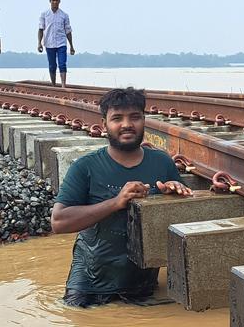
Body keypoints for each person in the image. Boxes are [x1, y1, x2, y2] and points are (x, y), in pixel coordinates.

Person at [50, 87, 193, 307]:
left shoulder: (162, 162)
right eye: (117, 118)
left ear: (145, 120)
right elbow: (59, 222)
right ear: (104, 123)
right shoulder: (85, 167)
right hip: (89, 283)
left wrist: (173, 198)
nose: (127, 124)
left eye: (135, 117)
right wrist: (115, 203)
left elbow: (187, 227)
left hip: (142, 283)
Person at [37, 0, 75, 88]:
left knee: (62, 64)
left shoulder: (64, 15)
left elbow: (68, 31)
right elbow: (41, 29)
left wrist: (71, 46)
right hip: (49, 43)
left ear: (59, 2)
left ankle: (63, 85)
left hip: (61, 43)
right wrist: (39, 43)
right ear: (50, 1)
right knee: (52, 65)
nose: (55, 2)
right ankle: (53, 85)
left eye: (57, 1)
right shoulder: (44, 14)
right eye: (53, 0)